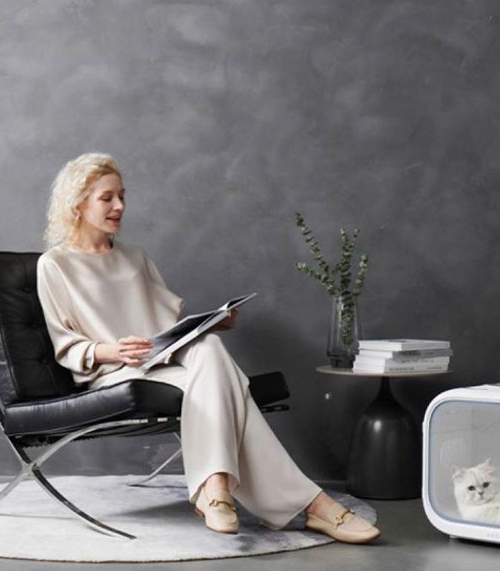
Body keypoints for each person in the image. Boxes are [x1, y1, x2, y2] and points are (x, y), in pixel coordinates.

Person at [36, 152, 380, 544]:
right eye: (107, 198)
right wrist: (110, 351)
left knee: (211, 345)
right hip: (114, 373)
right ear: (77, 204)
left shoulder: (135, 257)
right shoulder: (54, 265)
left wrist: (213, 322)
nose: (120, 206)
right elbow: (65, 344)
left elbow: (168, 327)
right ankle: (313, 505)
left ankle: (214, 487)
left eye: (122, 196)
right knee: (229, 388)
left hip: (163, 362)